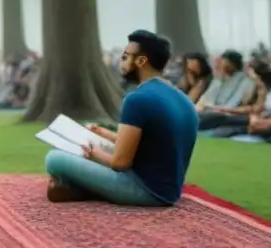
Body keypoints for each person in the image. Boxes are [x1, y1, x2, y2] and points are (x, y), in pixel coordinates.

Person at [45, 30, 199, 206]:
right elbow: (151, 144)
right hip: (170, 192)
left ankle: (77, 187)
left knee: (54, 158)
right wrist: (104, 133)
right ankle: (76, 187)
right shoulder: (183, 100)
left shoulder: (137, 99)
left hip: (144, 190)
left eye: (125, 57)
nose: (121, 62)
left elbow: (120, 163)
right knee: (92, 149)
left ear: (141, 61)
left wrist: (93, 154)